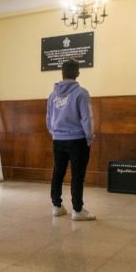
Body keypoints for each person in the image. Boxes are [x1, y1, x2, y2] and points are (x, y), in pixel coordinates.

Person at [46, 59, 96, 221]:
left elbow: (48, 118)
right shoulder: (81, 93)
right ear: (78, 73)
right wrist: (89, 137)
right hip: (78, 140)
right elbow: (87, 118)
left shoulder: (52, 95)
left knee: (58, 172)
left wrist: (55, 133)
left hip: (58, 139)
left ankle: (56, 206)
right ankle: (77, 210)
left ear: (62, 73)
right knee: (77, 175)